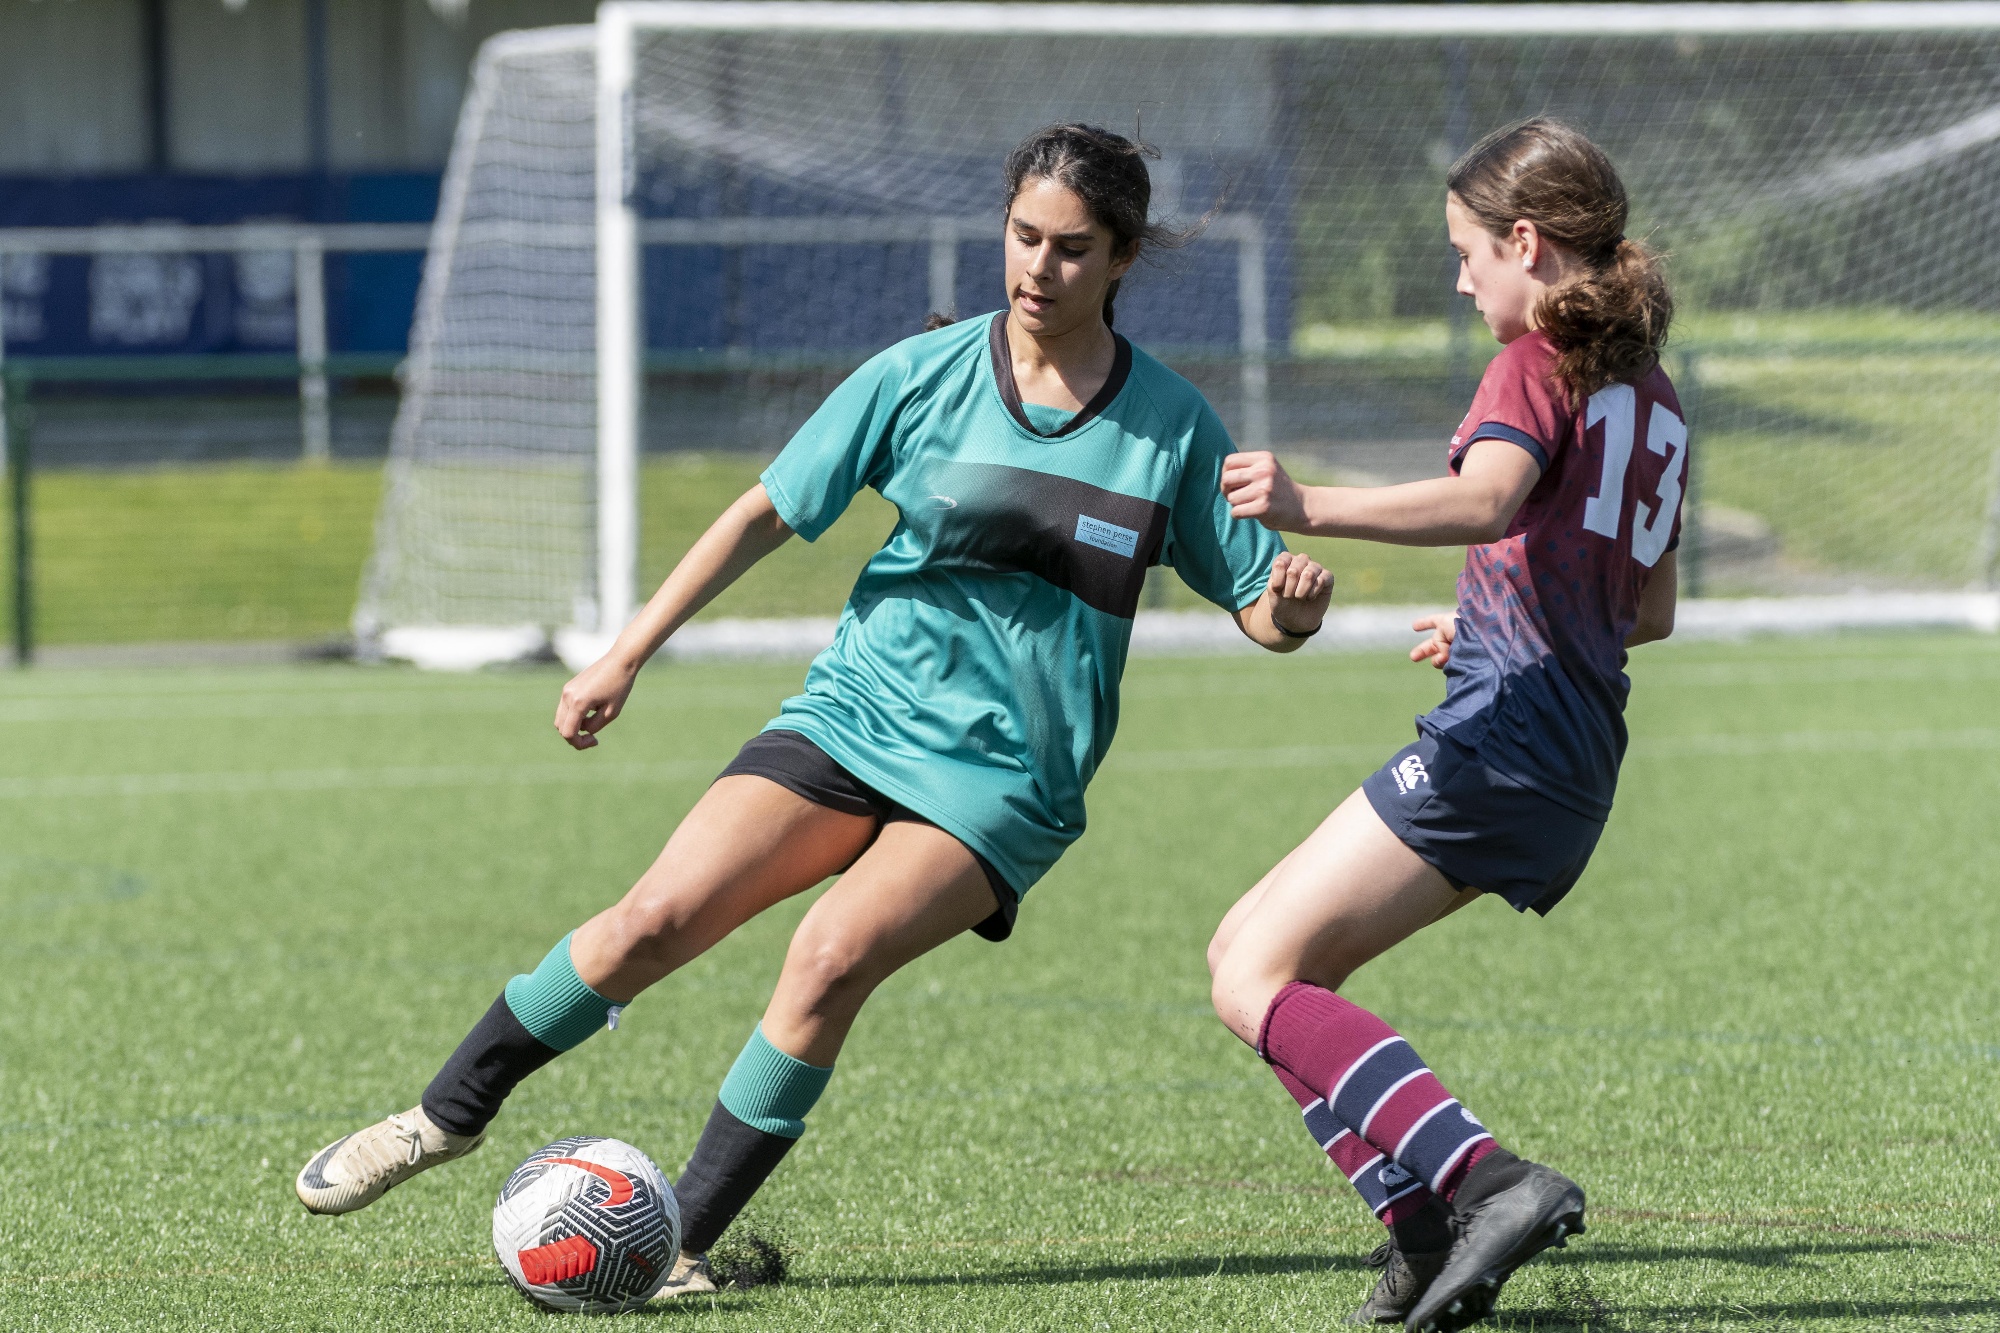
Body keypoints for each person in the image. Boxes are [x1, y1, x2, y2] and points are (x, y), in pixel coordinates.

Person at [294, 123, 1334, 1297]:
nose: (1037, 269)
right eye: (1022, 236)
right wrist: (623, 655)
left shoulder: (1171, 428)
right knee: (650, 920)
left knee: (830, 956)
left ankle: (675, 1243)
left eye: (1071, 249)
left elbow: (1256, 603)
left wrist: (1292, 606)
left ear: (1123, 258)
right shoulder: (918, 374)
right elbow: (764, 512)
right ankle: (440, 1117)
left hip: (1003, 780)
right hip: (853, 717)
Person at [1207, 117, 1684, 1332]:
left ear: (1524, 242)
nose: (1461, 279)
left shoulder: (1536, 355)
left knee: (1255, 974)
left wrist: (1306, 502)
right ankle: (1420, 1229)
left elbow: (1485, 499)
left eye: (1466, 252)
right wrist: (1489, 616)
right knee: (1248, 952)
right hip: (1567, 749)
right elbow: (1647, 609)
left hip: (1507, 738)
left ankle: (1485, 1183)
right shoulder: (1655, 396)